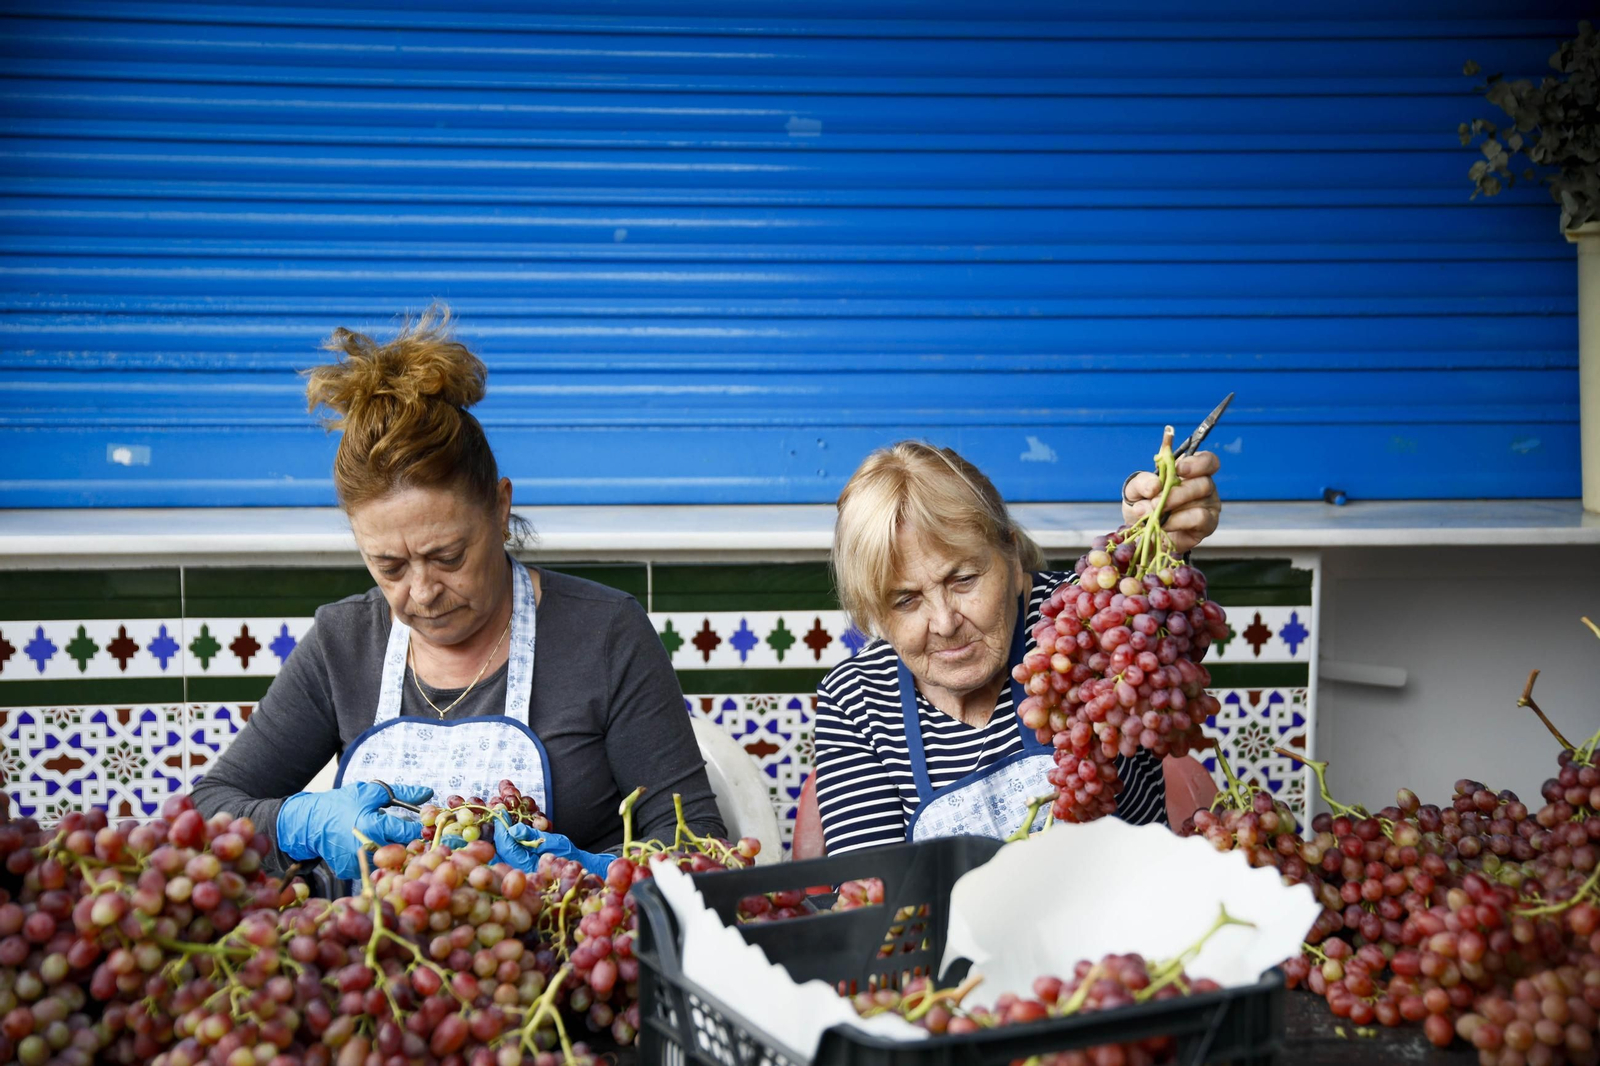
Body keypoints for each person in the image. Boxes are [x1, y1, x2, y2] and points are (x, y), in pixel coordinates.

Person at [191, 307, 723, 882]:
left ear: (499, 508)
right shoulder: (342, 643)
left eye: (448, 557)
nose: (422, 592)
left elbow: (699, 846)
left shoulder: (606, 636)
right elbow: (206, 809)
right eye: (389, 565)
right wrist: (296, 824)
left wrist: (587, 871)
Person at [813, 442, 1221, 854]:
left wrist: (1162, 542)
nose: (945, 623)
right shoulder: (855, 701)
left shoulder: (1080, 620)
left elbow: (1157, 633)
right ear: (874, 610)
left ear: (1009, 553)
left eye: (964, 579)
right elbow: (872, 892)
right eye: (905, 600)